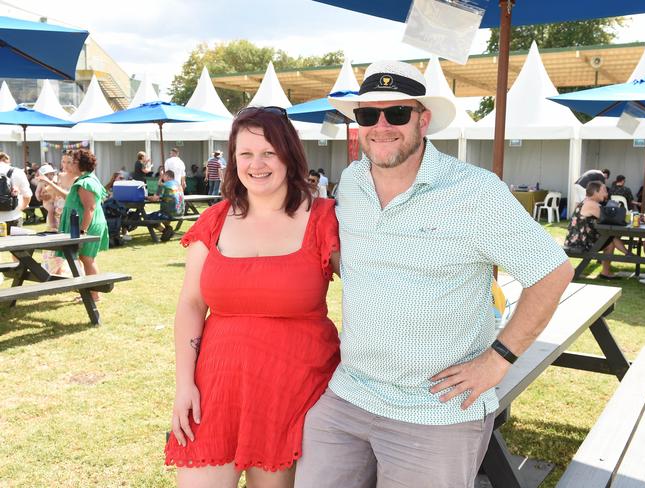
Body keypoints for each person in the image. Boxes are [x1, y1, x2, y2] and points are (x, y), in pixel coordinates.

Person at [294, 60, 574, 488]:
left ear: (423, 120)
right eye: (368, 115)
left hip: (436, 410)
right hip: (348, 396)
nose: (381, 126)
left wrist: (499, 359)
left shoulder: (475, 191)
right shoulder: (350, 183)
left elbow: (552, 273)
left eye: (398, 113)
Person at [164, 106, 341, 488]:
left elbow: (375, 284)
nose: (256, 164)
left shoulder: (324, 218)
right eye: (245, 154)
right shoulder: (213, 220)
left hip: (296, 390)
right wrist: (184, 384)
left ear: (289, 156)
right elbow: (192, 304)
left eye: (268, 153)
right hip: (217, 387)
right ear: (233, 160)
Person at [57, 149, 109, 301]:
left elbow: (90, 208)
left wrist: (82, 230)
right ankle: (91, 293)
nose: (70, 165)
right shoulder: (85, 179)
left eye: (73, 162)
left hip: (87, 225)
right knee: (85, 258)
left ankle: (94, 295)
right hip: (85, 223)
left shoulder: (85, 182)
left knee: (87, 258)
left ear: (81, 165)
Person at [565, 181, 630, 279]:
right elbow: (612, 219)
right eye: (604, 191)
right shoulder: (591, 204)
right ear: (596, 192)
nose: (607, 194)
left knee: (609, 238)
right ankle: (625, 258)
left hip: (579, 238)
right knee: (610, 241)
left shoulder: (587, 202)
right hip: (579, 242)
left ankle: (627, 255)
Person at [145, 170, 185, 242]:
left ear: (166, 176)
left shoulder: (164, 185)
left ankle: (165, 231)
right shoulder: (178, 185)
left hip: (169, 214)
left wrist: (146, 197)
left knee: (148, 218)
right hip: (180, 212)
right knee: (161, 213)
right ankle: (168, 229)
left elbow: (155, 198)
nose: (162, 178)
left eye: (163, 176)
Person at [0, 151, 32, 235]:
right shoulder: (17, 172)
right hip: (13, 216)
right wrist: (21, 208)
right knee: (17, 246)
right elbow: (27, 196)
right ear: (6, 161)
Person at [35, 164, 59, 230]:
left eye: (51, 174)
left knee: (57, 210)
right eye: (46, 175)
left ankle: (56, 224)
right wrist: (38, 197)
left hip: (55, 200)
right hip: (47, 202)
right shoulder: (41, 183)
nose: (49, 176)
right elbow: (37, 192)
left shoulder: (54, 181)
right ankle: (52, 225)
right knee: (51, 210)